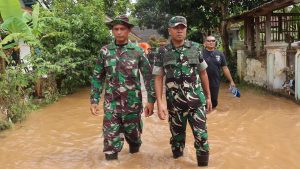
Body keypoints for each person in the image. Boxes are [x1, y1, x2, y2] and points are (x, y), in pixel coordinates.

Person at [90, 15, 156, 161]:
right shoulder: (105, 52)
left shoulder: (137, 51)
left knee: (134, 142)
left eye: (122, 29)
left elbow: (148, 77)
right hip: (111, 105)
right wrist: (94, 100)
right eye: (116, 29)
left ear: (128, 30)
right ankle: (111, 161)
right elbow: (97, 77)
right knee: (110, 144)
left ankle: (135, 158)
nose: (119, 32)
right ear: (112, 31)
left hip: (132, 105)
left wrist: (151, 101)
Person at [153, 16, 212, 167]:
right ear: (169, 30)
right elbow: (159, 78)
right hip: (174, 105)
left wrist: (209, 97)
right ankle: (178, 163)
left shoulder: (196, 48)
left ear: (186, 29)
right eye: (176, 27)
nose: (179, 30)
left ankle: (203, 165)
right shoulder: (162, 52)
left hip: (196, 102)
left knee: (202, 137)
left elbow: (203, 73)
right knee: (177, 140)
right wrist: (160, 104)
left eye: (182, 27)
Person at [203, 35, 236, 108]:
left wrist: (231, 81)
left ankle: (212, 114)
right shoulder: (201, 54)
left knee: (214, 101)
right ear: (205, 43)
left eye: (213, 41)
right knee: (203, 101)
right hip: (202, 81)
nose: (211, 42)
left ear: (215, 42)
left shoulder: (220, 54)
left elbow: (225, 68)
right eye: (208, 41)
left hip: (215, 81)